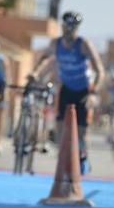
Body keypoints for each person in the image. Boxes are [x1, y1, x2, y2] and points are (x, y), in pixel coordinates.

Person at [32, 11, 104, 174]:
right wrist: (35, 73)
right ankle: (64, 157)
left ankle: (83, 157)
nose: (69, 31)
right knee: (59, 126)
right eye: (66, 27)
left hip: (83, 90)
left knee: (81, 130)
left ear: (77, 29)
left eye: (73, 28)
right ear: (62, 27)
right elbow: (44, 59)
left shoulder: (83, 44)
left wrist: (93, 92)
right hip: (66, 88)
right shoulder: (55, 44)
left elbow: (100, 70)